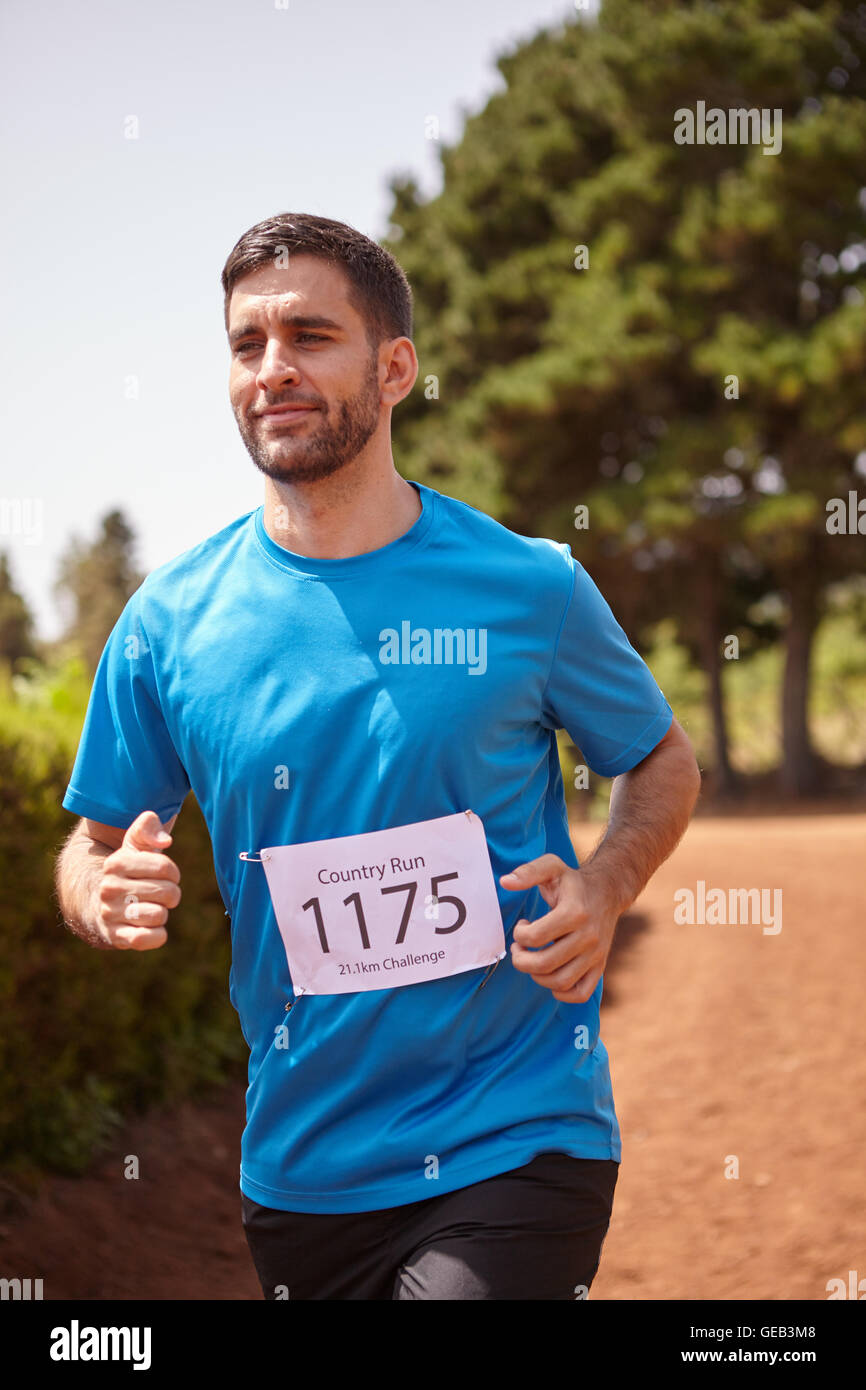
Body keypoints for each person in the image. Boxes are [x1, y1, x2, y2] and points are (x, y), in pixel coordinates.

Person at [56, 212, 701, 1301]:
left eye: (310, 336)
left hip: (515, 1130)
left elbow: (659, 760)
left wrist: (603, 886)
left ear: (394, 367)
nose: (273, 370)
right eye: (246, 344)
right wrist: (98, 891)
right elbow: (90, 843)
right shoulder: (168, 623)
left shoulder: (527, 587)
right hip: (303, 1170)